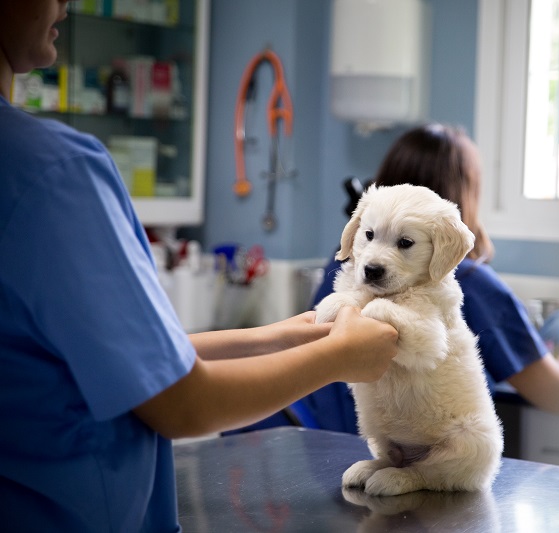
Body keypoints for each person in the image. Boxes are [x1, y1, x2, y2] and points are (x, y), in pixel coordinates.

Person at [0, 1, 398, 531]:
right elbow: (181, 404)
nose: (65, 3)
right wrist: (340, 357)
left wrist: (288, 335)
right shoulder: (54, 172)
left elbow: (134, 364)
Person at [234, 123, 559, 436]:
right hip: (386, 454)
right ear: (463, 192)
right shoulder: (470, 280)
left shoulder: (359, 258)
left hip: (312, 447)